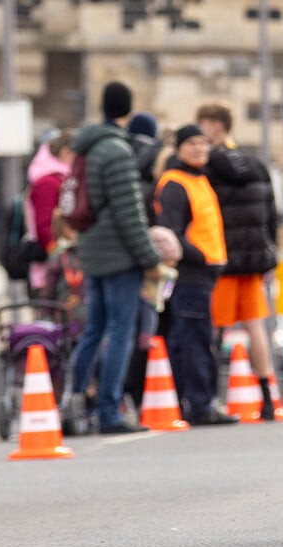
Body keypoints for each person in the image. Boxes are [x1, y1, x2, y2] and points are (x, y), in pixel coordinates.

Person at [68, 81, 161, 434]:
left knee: (93, 330)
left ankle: (73, 401)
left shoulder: (85, 148)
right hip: (119, 255)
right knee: (121, 331)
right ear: (128, 110)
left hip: (91, 249)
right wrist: (150, 258)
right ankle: (109, 411)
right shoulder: (117, 151)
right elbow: (129, 213)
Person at [197, 103, 281, 421]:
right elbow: (271, 215)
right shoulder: (256, 164)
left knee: (214, 330)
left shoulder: (208, 166)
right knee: (256, 328)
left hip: (224, 260)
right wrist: (270, 257)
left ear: (216, 126)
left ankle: (208, 399)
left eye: (203, 125)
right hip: (255, 261)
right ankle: (267, 398)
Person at [156, 124, 238, 426]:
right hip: (191, 274)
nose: (199, 148)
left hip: (204, 275)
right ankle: (200, 405)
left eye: (203, 143)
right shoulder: (177, 183)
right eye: (191, 143)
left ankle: (192, 402)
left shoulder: (198, 179)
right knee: (195, 342)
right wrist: (200, 257)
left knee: (192, 339)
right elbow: (171, 233)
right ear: (178, 148)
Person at [25, 131, 75, 297]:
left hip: (57, 268)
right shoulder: (47, 183)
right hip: (50, 274)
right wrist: (60, 257)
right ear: (66, 152)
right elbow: (44, 227)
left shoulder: (57, 179)